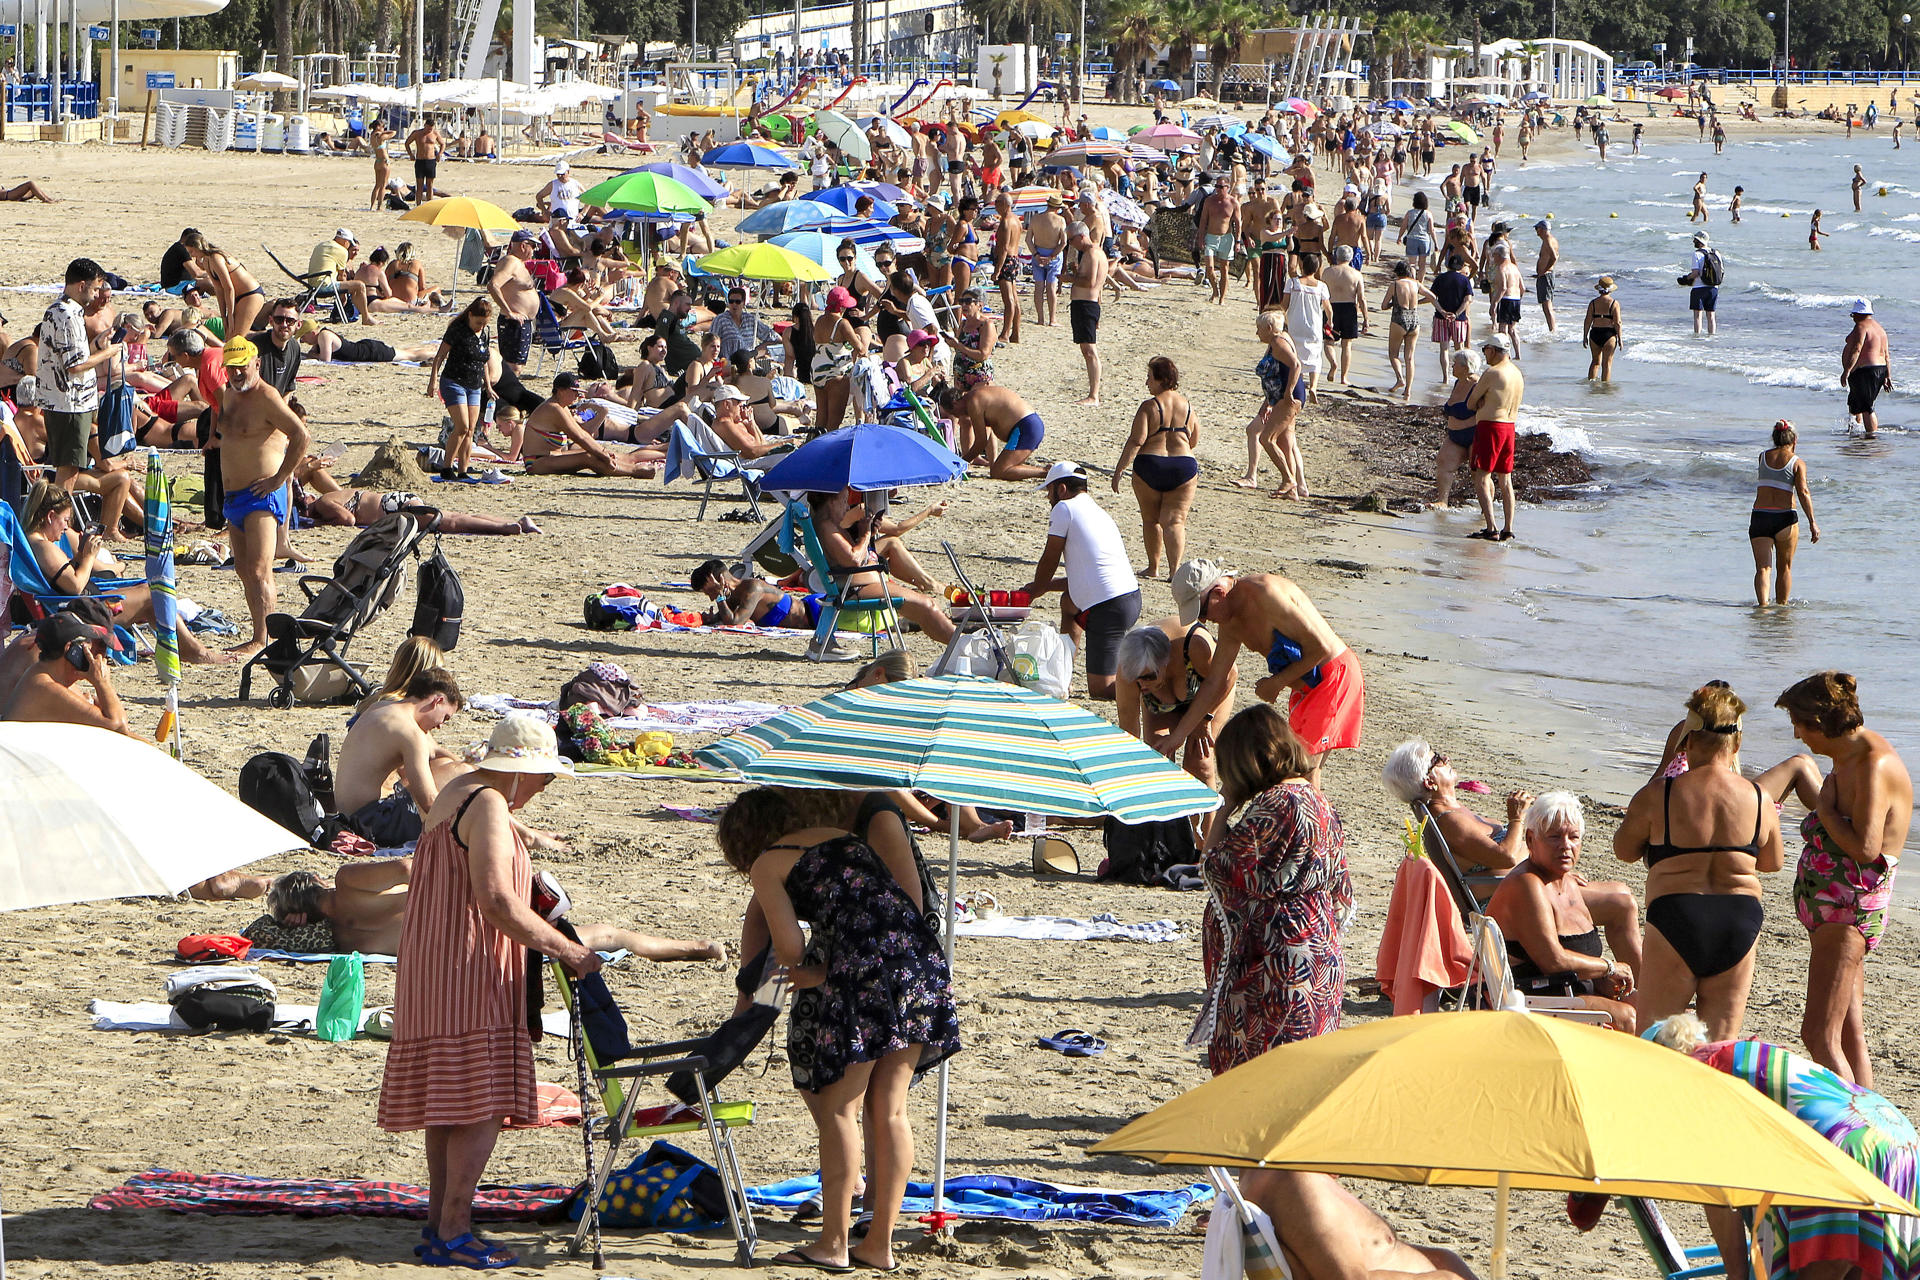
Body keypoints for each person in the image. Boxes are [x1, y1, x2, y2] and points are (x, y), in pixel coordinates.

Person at [377, 714, 598, 1271]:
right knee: (480, 1102)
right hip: (471, 967)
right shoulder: (490, 805)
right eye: (544, 778)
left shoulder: (456, 790)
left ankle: (438, 1224)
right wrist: (567, 951)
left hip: (431, 963)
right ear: (521, 773)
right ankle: (454, 1228)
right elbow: (497, 901)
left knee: (446, 1103)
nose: (544, 788)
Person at [715, 786, 959, 1273]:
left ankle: (833, 1243)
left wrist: (808, 974)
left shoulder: (770, 862)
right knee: (890, 1111)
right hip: (921, 968)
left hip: (865, 977)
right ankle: (880, 1244)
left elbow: (787, 947)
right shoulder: (847, 839)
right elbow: (878, 914)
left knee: (839, 1109)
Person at [1646, 1013, 1920, 1280]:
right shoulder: (1747, 1053)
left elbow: (1718, 1197)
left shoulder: (1703, 1080)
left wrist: (1737, 1273)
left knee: (1830, 1260)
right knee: (1857, 1258)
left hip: (1841, 1147)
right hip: (1896, 1137)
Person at [1613, 683, 1784, 1041]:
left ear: (1686, 741)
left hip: (1677, 913)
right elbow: (1771, 862)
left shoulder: (1660, 795)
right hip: (1738, 919)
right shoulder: (1758, 797)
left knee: (1654, 1043)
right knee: (1719, 1052)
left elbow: (1624, 851)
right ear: (1736, 744)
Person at [1776, 671, 1912, 1087]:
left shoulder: (1872, 764)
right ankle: (1868, 1127)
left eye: (1799, 725)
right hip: (1833, 911)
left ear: (1820, 723)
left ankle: (1849, 1133)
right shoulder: (1846, 757)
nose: (1798, 735)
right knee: (1849, 1035)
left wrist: (1826, 811)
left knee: (1817, 1034)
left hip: (1848, 911)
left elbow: (1866, 847)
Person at [1198, 704, 1349, 1074]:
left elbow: (1215, 864)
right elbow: (1340, 886)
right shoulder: (1317, 800)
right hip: (1316, 949)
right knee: (1302, 1068)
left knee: (1262, 1066)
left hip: (1276, 959)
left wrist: (1226, 803)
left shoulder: (1275, 802)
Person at [256, 862, 722, 962]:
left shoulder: (337, 941)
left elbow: (260, 934)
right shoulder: (345, 882)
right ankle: (696, 947)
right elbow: (405, 865)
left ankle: (695, 949)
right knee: (602, 934)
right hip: (461, 918)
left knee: (584, 939)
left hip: (453, 949)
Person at [1164, 559, 1364, 785]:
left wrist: (1275, 683)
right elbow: (1214, 682)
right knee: (1296, 769)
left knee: (1304, 771)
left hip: (1333, 675)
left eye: (1201, 611)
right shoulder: (1231, 622)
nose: (1203, 621)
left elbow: (1320, 648)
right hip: (1306, 687)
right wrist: (1178, 736)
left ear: (1218, 592)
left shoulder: (1265, 593)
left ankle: (1313, 820)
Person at [1487, 793, 1640, 1031]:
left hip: (1569, 988)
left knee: (1651, 1007)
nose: (1565, 846)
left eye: (1573, 837)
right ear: (1530, 839)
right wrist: (1608, 967)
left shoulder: (1564, 879)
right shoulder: (1527, 885)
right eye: (1554, 837)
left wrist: (1602, 978)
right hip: (1537, 997)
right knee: (1629, 1017)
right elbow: (1554, 961)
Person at [217, 336, 309, 657]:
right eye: (231, 368)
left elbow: (301, 435)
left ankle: (263, 638)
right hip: (234, 498)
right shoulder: (229, 394)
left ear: (257, 364)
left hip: (261, 494)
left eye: (242, 367)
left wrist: (280, 478)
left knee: (259, 570)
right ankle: (261, 631)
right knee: (243, 569)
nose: (237, 373)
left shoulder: (267, 396)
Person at [1020, 462, 1142, 702]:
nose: (1048, 497)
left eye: (1049, 491)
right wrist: (1041, 587)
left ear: (1062, 489)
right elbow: (1087, 577)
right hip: (1127, 597)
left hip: (1109, 608)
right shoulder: (1096, 511)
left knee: (1101, 690)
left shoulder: (1064, 509)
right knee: (1069, 603)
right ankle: (1063, 673)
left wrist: (1036, 589)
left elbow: (1050, 557)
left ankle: (1157, 688)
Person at [335, 668, 468, 848]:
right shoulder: (410, 733)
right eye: (445, 718)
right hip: (373, 823)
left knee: (449, 765)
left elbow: (435, 751)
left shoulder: (383, 707)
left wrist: (463, 764)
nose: (440, 726)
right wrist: (464, 825)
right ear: (438, 700)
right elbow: (429, 801)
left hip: (349, 815)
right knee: (461, 772)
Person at [1117, 617, 1235, 803]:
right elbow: (1128, 729)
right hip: (1163, 703)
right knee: (1158, 760)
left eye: (1148, 677)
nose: (1142, 684)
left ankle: (1208, 831)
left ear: (1164, 662)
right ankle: (1168, 826)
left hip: (1209, 694)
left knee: (1200, 762)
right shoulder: (1130, 672)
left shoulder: (1195, 646)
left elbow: (1229, 674)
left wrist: (1203, 719)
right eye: (1137, 680)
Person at [1378, 739, 1531, 879]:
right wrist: (1517, 819)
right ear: (1429, 782)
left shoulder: (1449, 812)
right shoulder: (1450, 821)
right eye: (1437, 760)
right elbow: (1506, 857)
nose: (1446, 759)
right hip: (1510, 897)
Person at [35, 257, 120, 495]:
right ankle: (58, 520)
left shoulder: (58, 310)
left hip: (62, 400)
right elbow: (74, 366)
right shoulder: (68, 315)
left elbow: (68, 358)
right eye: (94, 289)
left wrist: (96, 346)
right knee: (69, 469)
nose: (95, 296)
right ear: (81, 285)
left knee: (68, 466)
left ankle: (57, 519)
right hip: (70, 403)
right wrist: (108, 354)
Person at [1112, 356, 1200, 579]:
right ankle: (1174, 571)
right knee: (1176, 521)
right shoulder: (1188, 407)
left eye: (1149, 378)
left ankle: (1153, 567)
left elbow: (1136, 440)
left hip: (1150, 463)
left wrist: (1120, 469)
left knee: (1151, 519)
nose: (1146, 383)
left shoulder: (1149, 406)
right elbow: (1194, 440)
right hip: (1183, 465)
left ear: (1161, 380)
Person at [1, 606, 130, 733]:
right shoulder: (44, 686)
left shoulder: (42, 676)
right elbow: (118, 726)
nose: (100, 655)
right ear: (72, 650)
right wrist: (102, 682)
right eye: (86, 644)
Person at [522, 372, 660, 477]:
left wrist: (603, 452)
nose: (577, 396)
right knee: (589, 457)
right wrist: (601, 453)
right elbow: (580, 437)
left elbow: (583, 434)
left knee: (601, 453)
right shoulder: (553, 408)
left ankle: (634, 463)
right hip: (536, 462)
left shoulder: (562, 407)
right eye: (574, 392)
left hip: (553, 456)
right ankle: (634, 471)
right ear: (561, 391)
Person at [1749, 419, 1819, 607]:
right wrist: (1812, 522)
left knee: (1763, 569)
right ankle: (1781, 609)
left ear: (1774, 438)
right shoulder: (1798, 463)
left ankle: (1763, 607)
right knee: (1784, 568)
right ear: (1794, 440)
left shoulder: (1762, 457)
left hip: (1760, 516)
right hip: (1785, 518)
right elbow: (1803, 491)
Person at [427, 299, 495, 481]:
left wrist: (488, 385)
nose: (481, 326)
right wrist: (433, 380)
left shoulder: (484, 333)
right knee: (462, 426)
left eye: (484, 323)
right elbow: (440, 356)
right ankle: (447, 467)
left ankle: (463, 470)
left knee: (471, 430)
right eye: (478, 322)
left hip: (474, 385)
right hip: (453, 381)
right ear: (470, 316)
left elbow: (484, 362)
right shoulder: (457, 330)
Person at [1466, 334, 1522, 542]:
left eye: (1485, 350)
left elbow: (1471, 402)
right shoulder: (1517, 373)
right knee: (1505, 479)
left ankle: (1491, 527)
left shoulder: (1492, 373)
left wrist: (1481, 403)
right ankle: (1508, 527)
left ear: (1493, 350)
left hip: (1491, 426)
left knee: (1482, 476)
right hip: (1509, 427)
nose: (1484, 355)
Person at [940, 381, 1045, 482]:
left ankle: (1046, 472)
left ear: (955, 403)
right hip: (1028, 425)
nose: (958, 417)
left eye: (954, 414)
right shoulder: (977, 395)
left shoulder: (973, 402)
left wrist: (961, 463)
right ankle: (1046, 471)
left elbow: (981, 442)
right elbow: (987, 435)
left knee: (998, 472)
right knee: (1003, 467)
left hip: (1025, 428)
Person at [486, 231, 540, 374]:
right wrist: (509, 311)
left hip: (522, 321)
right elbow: (493, 285)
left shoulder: (518, 263)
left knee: (515, 366)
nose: (534, 251)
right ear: (523, 246)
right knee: (513, 367)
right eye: (533, 246)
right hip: (514, 321)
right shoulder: (511, 262)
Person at [1066, 222, 1106, 405]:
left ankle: (1094, 395)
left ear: (1081, 236)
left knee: (1090, 351)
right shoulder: (1097, 252)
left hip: (1085, 304)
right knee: (1087, 349)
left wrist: (1069, 278)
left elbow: (1089, 282)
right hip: (1089, 303)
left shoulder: (1091, 253)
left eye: (1072, 240)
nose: (1071, 244)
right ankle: (1093, 394)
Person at [305, 229, 381, 327]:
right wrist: (343, 296)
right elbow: (342, 276)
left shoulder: (321, 245)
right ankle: (366, 318)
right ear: (346, 241)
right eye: (349, 243)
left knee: (355, 286)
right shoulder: (341, 250)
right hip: (324, 285)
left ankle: (361, 314)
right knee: (360, 285)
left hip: (311, 286)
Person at [1380, 262, 1431, 402]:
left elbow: (1383, 306)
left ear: (1397, 272)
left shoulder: (1395, 285)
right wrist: (1418, 302)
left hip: (1399, 318)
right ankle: (1408, 391)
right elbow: (1432, 297)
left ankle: (1399, 379)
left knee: (1393, 354)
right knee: (1409, 358)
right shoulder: (1416, 284)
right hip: (1414, 319)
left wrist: (1393, 303)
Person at [1841, 296, 1892, 436]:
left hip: (1867, 371)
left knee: (1867, 407)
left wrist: (1846, 371)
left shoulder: (1861, 326)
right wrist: (1887, 376)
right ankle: (1855, 432)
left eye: (1853, 315)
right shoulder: (1880, 329)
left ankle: (1871, 438)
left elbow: (1857, 349)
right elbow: (1887, 355)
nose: (1852, 318)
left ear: (1859, 314)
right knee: (1856, 402)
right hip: (1879, 370)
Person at [1283, 253, 1328, 403]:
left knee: (1296, 356)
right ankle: (1313, 387)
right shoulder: (1322, 286)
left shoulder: (1292, 283)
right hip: (1314, 325)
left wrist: (1281, 318)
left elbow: (1285, 305)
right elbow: (1328, 308)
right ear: (1316, 269)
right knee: (1315, 356)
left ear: (1302, 266)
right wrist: (1331, 322)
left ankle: (1298, 386)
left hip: (1295, 324)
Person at [1320, 246, 1366, 386]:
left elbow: (1321, 294)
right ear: (1351, 258)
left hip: (1331, 308)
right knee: (1347, 344)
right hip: (1349, 309)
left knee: (1329, 342)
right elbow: (1361, 299)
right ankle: (1344, 377)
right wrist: (1366, 318)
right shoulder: (1356, 274)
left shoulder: (1327, 272)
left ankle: (1333, 364)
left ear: (1336, 256)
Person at [1429, 254, 1474, 380]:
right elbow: (1468, 300)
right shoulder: (1464, 280)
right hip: (1458, 319)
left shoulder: (1440, 278)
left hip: (1440, 317)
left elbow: (1432, 297)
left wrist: (1442, 311)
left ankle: (1445, 377)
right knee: (1459, 348)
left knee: (1444, 349)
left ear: (1448, 265)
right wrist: (1457, 313)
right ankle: (1461, 377)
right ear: (1460, 267)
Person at [248, 298, 303, 396]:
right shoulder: (254, 349)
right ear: (271, 321)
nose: (284, 324)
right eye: (279, 320)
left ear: (298, 324)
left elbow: (288, 389)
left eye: (290, 321)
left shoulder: (295, 348)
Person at [1582, 277, 1622, 382]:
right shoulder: (1614, 303)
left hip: (1595, 333)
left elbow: (1587, 321)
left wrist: (1585, 336)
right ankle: (1605, 388)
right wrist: (1620, 339)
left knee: (1595, 362)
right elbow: (1618, 322)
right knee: (1607, 364)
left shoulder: (1593, 303)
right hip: (1609, 334)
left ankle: (1591, 385)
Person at [1684, 231, 1720, 337]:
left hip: (1699, 288)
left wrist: (1687, 278)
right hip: (1713, 288)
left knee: (1697, 315)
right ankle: (1711, 337)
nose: (1693, 241)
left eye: (1695, 240)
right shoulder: (1716, 253)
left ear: (1699, 241)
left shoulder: (1697, 254)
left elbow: (1696, 273)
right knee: (1711, 315)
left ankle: (1697, 337)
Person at [404, 114, 444, 205]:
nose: (430, 130)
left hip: (431, 160)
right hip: (420, 161)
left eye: (432, 128)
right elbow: (407, 143)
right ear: (425, 125)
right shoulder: (417, 133)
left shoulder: (434, 134)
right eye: (429, 128)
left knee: (430, 185)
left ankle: (429, 204)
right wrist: (410, 154)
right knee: (419, 185)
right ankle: (418, 204)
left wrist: (439, 154)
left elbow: (442, 144)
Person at [1531, 220, 1558, 333]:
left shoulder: (1548, 240)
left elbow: (1554, 257)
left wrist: (1545, 270)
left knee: (1547, 305)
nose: (1536, 231)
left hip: (1546, 276)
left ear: (1542, 229)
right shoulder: (1552, 240)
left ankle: (1552, 330)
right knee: (1546, 305)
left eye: (1537, 229)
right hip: (1547, 275)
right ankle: (1552, 328)